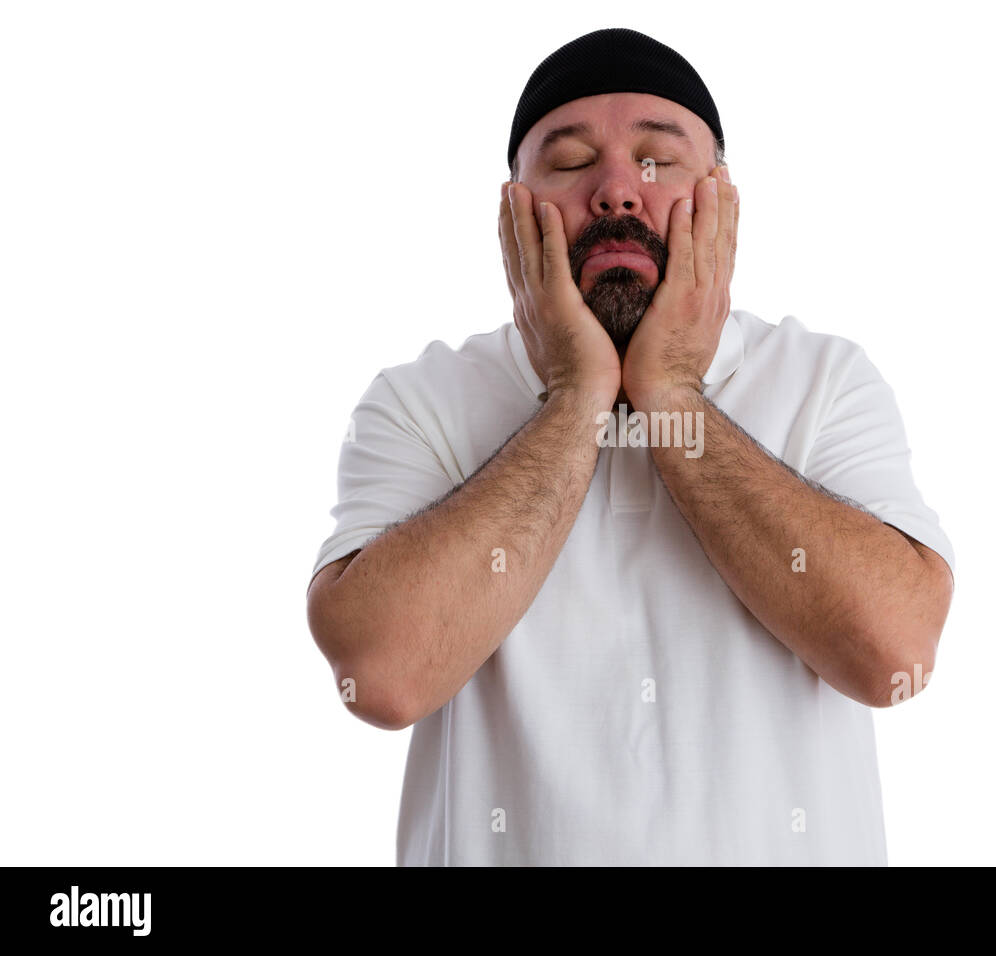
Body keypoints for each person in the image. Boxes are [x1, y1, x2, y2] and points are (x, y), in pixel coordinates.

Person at [307, 27, 955, 865]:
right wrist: (576, 399)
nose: (618, 191)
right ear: (513, 209)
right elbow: (383, 675)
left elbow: (894, 653)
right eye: (570, 162)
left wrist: (670, 393)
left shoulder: (824, 380)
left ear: (719, 200)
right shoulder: (418, 401)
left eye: (657, 158)